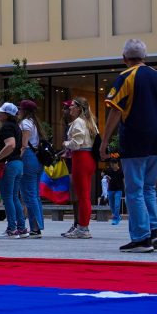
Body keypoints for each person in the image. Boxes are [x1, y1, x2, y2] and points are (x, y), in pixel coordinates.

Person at [99, 38, 157, 253]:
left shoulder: (126, 77)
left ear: (124, 58)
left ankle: (141, 238)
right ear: (145, 57)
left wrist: (105, 142)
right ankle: (153, 229)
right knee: (149, 187)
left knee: (133, 189)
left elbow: (115, 110)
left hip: (134, 138)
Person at [61, 97, 98, 239]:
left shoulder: (77, 122)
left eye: (73, 106)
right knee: (85, 195)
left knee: (82, 195)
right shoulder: (91, 122)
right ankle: (83, 226)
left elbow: (76, 143)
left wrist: (66, 143)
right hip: (89, 158)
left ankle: (83, 228)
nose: (70, 108)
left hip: (80, 158)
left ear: (79, 109)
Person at [14, 100, 46, 237]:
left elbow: (24, 144)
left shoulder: (25, 124)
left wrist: (16, 157)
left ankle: (35, 228)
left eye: (20, 109)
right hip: (37, 160)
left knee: (29, 195)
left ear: (24, 111)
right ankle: (37, 225)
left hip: (28, 159)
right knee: (35, 195)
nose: (18, 111)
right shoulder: (34, 123)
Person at [0, 102, 24, 237]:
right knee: (14, 197)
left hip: (8, 165)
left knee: (7, 197)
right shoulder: (17, 127)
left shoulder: (7, 127)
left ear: (6, 115)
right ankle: (21, 228)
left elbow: (10, 145)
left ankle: (11, 228)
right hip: (18, 164)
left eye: (1, 112)